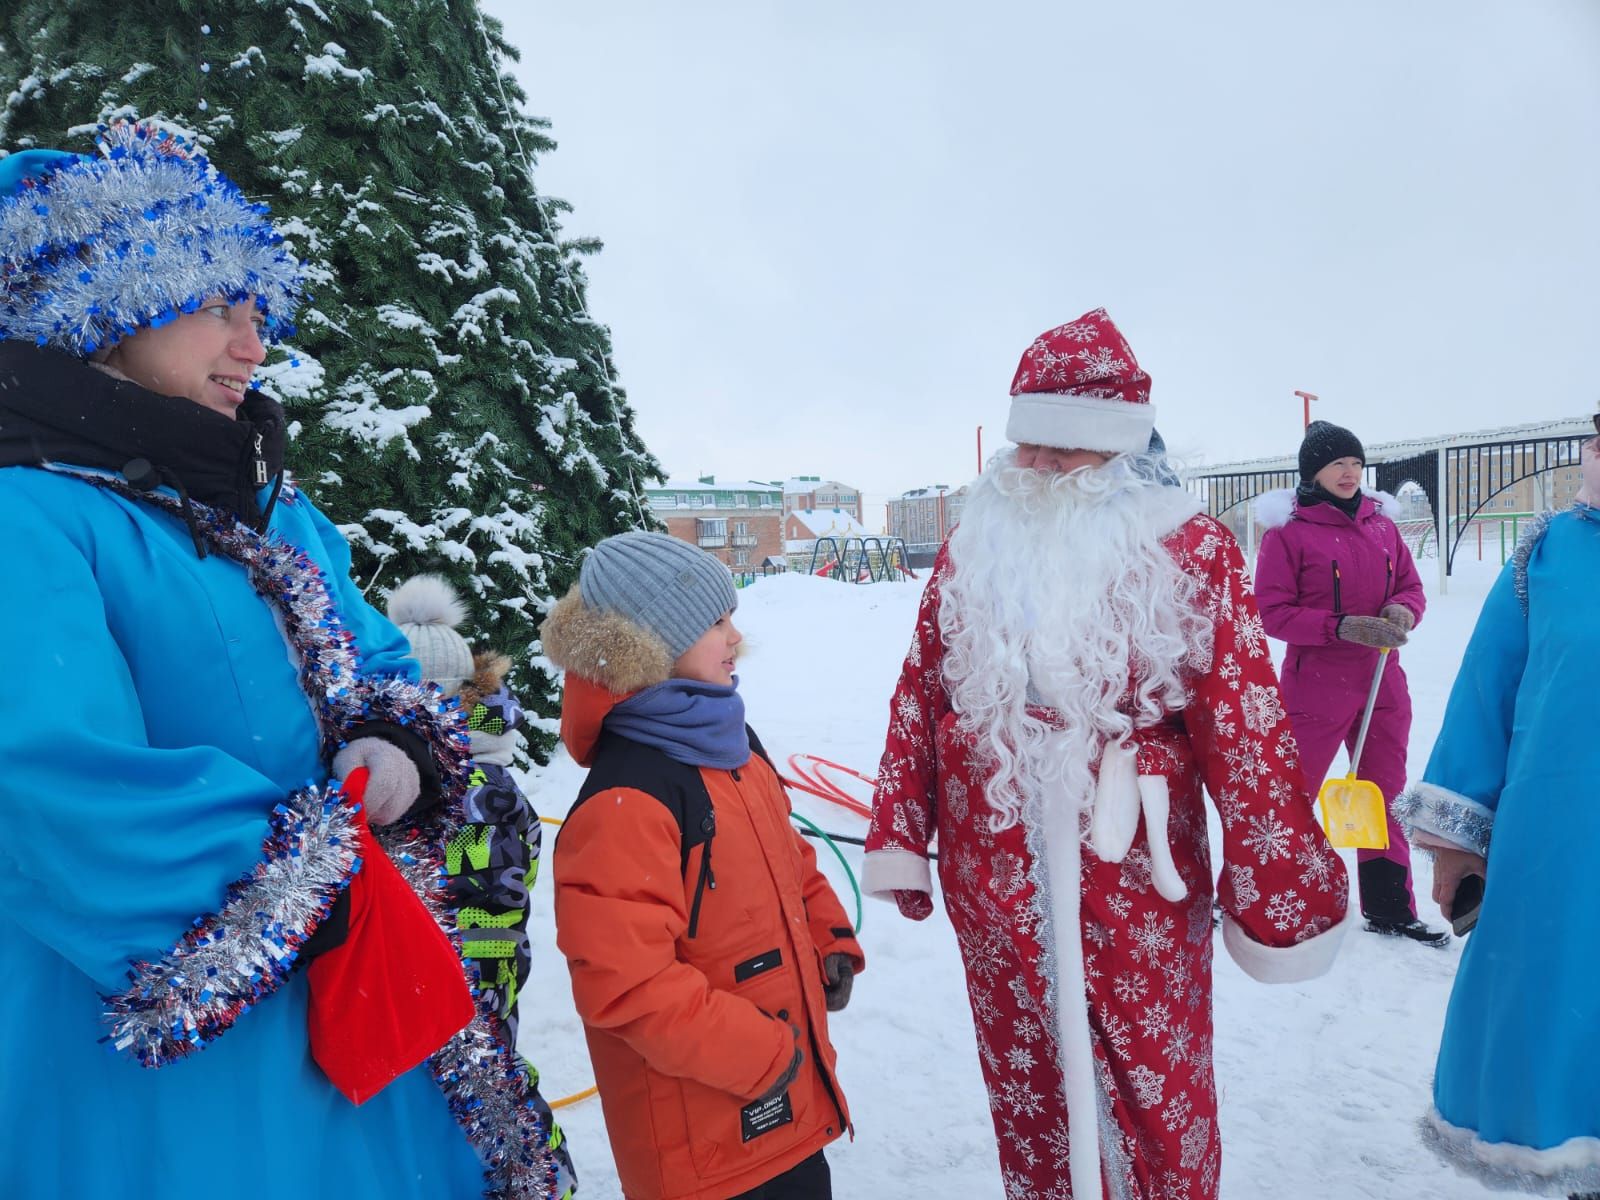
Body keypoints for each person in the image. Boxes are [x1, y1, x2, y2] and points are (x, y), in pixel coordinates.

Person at [0, 122, 567, 1198]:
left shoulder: (264, 504)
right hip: (157, 1071)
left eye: (258, 313)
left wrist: (391, 730)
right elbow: (41, 774)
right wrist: (322, 897)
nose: (255, 348)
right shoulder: (26, 515)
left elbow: (378, 655)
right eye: (221, 308)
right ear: (106, 301)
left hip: (359, 1019)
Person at [863, 308, 1350, 1200]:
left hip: (1137, 860)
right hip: (996, 862)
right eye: (1030, 447)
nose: (1039, 469)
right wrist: (902, 830)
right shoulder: (974, 548)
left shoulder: (1190, 548)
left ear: (1118, 454)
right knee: (1028, 1072)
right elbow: (921, 689)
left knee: (1154, 1069)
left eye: (1066, 451)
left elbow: (1242, 718)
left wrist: (1279, 888)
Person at [542, 531, 864, 1200]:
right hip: (705, 1147)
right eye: (716, 623)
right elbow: (627, 986)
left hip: (785, 1112)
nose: (736, 638)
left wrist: (827, 935)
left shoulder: (732, 742)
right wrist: (763, 1054)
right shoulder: (626, 800)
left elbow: (788, 855)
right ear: (654, 646)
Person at [1394, 412, 1600, 1198]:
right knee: (1568, 1043)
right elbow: (1485, 695)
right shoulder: (1547, 554)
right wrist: (1458, 841)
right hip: (1564, 854)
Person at [386, 573, 577, 1198]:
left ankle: (537, 1176)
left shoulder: (472, 793)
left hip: (471, 966)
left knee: (482, 1083)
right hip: (468, 958)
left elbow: (480, 889)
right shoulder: (467, 778)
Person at [1253, 421, 1448, 946]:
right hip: (1315, 685)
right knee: (1292, 796)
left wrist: (1401, 612)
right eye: (1339, 463)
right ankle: (1264, 901)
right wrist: (1336, 626)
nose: (1350, 473)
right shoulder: (1287, 532)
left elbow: (1410, 585)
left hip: (1383, 679)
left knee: (1381, 792)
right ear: (1313, 470)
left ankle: (1388, 906)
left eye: (1357, 464)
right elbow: (1271, 612)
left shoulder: (1381, 526)